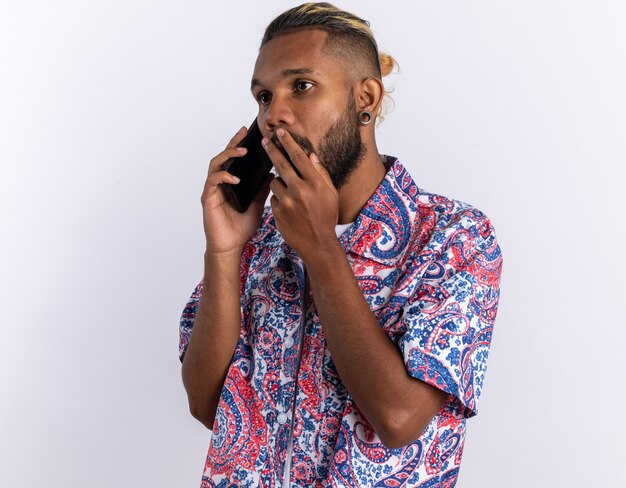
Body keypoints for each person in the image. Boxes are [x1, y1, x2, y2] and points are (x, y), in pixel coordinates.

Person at [179, 3, 503, 487]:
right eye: (264, 97)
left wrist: (321, 248)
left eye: (301, 87)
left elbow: (398, 418)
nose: (274, 115)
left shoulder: (455, 237)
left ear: (365, 98)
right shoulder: (260, 243)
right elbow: (207, 404)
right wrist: (224, 252)